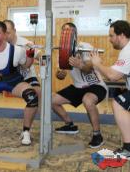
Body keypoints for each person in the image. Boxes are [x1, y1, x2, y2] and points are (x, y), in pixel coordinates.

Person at [52, 22, 107, 148]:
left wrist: (80, 64)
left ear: (75, 34)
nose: (67, 34)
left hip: (95, 85)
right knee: (52, 100)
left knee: (87, 100)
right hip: (78, 87)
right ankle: (70, 125)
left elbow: (89, 67)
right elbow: (60, 74)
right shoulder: (63, 52)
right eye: (64, 32)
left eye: (70, 32)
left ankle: (97, 134)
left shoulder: (85, 46)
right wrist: (60, 74)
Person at [90, 20, 130, 157]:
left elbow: (113, 76)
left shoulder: (127, 51)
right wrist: (100, 66)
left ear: (121, 35)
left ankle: (128, 148)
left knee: (118, 103)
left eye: (111, 36)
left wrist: (97, 65)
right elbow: (115, 71)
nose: (109, 39)